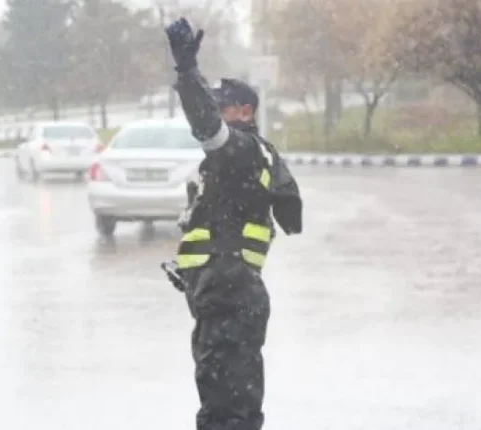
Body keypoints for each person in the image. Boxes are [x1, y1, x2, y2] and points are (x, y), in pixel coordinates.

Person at [162, 17, 303, 430]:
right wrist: (192, 271)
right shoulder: (241, 159)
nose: (216, 114)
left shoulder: (240, 150)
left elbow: (206, 124)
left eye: (222, 107)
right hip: (225, 297)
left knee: (227, 413)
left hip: (230, 299)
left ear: (245, 112)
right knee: (227, 407)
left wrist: (187, 72)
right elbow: (223, 226)